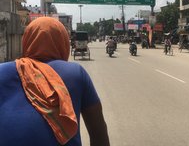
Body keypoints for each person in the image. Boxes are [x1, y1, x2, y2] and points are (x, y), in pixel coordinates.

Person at [0, 17, 110, 146]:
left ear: (26, 40)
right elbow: (98, 132)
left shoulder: (2, 71)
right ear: (63, 42)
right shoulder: (76, 73)